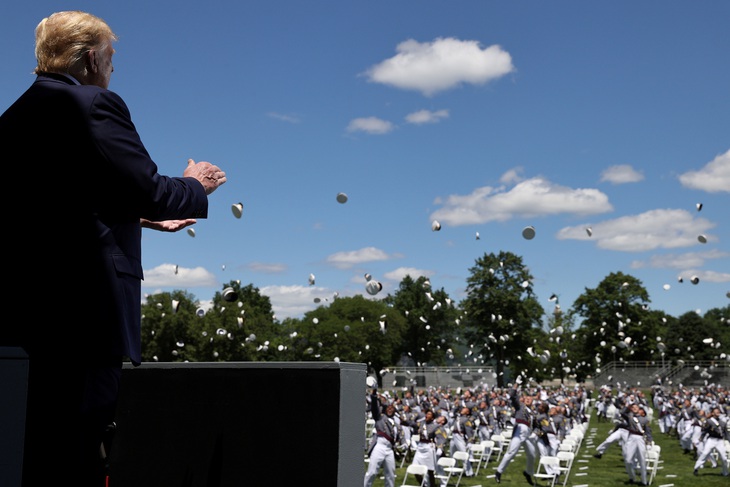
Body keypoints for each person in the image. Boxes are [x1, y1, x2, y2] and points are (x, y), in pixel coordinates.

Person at [0, 11, 226, 487]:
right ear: (91, 57)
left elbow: (53, 206)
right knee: (82, 447)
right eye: (112, 56)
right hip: (89, 312)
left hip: (30, 314)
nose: (113, 67)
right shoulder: (93, 105)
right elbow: (149, 188)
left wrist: (135, 218)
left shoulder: (14, 117)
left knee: (41, 448)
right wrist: (196, 183)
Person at [495, 382, 538, 485]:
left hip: (528, 433)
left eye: (530, 398)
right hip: (519, 430)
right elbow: (513, 396)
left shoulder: (533, 413)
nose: (528, 399)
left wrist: (535, 433)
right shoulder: (520, 407)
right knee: (511, 452)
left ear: (533, 401)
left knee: (532, 455)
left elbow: (536, 426)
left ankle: (528, 472)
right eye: (526, 398)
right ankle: (498, 472)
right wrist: (516, 385)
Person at [364, 389, 408, 487]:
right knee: (372, 472)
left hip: (390, 450)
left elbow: (401, 436)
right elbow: (374, 407)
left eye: (392, 408)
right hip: (379, 447)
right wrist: (374, 394)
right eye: (388, 407)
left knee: (390, 475)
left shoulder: (397, 424)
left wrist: (404, 444)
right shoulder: (380, 418)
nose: (390, 409)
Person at [411, 410, 448, 487]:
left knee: (430, 470)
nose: (427, 415)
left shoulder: (436, 426)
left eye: (429, 414)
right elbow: (411, 423)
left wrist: (440, 447)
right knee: (414, 468)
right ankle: (423, 485)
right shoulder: (421, 423)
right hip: (420, 447)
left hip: (429, 447)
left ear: (432, 417)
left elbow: (441, 437)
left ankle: (432, 485)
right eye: (426, 413)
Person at [621, 403, 652, 486]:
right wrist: (628, 407)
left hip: (640, 439)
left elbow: (648, 431)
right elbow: (622, 413)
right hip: (631, 437)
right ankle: (632, 477)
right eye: (633, 407)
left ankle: (644, 481)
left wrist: (649, 442)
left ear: (639, 409)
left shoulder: (645, 419)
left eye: (636, 407)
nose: (634, 408)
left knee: (642, 460)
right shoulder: (630, 416)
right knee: (628, 459)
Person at [693, 407, 729, 477]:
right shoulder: (709, 421)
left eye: (718, 411)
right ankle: (696, 468)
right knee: (705, 454)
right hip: (711, 440)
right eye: (716, 411)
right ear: (712, 413)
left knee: (724, 457)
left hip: (720, 441)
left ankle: (725, 472)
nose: (718, 412)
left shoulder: (723, 422)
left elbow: (726, 434)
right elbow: (705, 431)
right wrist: (701, 439)